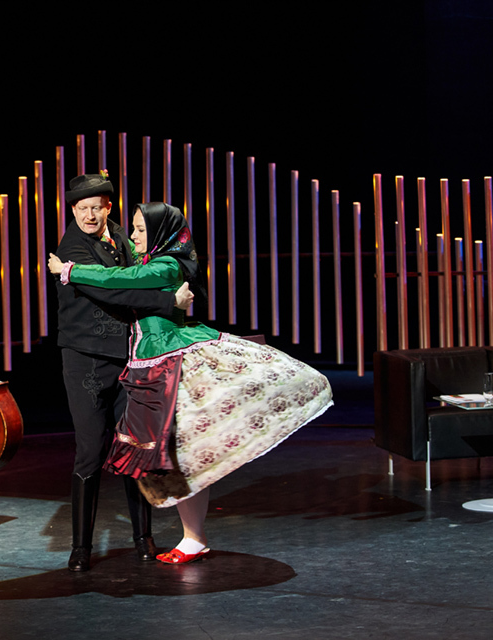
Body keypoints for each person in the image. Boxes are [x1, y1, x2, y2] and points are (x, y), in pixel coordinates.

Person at [49, 202, 333, 564]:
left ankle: (193, 537)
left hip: (170, 360)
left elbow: (122, 282)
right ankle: (193, 537)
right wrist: (169, 300)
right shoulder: (149, 261)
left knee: (184, 451)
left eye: (139, 229)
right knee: (177, 453)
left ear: (160, 232)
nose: (131, 235)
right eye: (133, 228)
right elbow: (130, 289)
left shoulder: (165, 264)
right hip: (148, 363)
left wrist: (69, 270)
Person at [53, 174, 184, 572]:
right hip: (87, 359)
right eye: (83, 208)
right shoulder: (73, 247)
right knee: (91, 452)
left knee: (132, 449)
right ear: (72, 210)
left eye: (98, 207)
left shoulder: (119, 234)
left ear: (109, 207)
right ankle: (81, 547)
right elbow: (113, 289)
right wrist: (167, 301)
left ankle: (143, 538)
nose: (91, 215)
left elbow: (136, 273)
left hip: (126, 356)